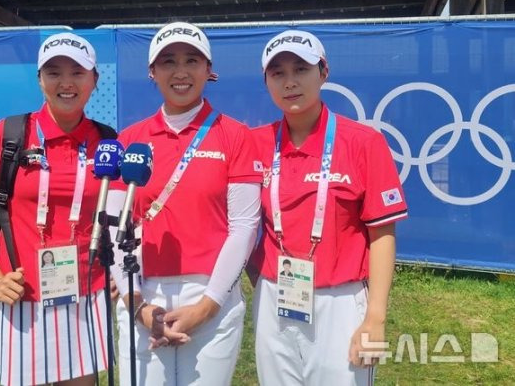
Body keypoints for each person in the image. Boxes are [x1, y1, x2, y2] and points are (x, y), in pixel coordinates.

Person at [248, 29, 408, 385]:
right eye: (278, 73)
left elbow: (382, 234)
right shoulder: (256, 143)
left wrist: (376, 318)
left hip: (341, 300)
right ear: (267, 81)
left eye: (301, 69)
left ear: (323, 72)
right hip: (275, 295)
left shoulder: (364, 142)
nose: (290, 82)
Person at [109, 21, 262, 385]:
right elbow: (115, 225)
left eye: (192, 61)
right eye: (168, 62)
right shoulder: (130, 139)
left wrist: (208, 306)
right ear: (152, 72)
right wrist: (137, 305)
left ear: (209, 71)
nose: (181, 72)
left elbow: (244, 226)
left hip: (212, 292)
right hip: (143, 291)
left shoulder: (235, 135)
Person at [0, 32, 111, 386]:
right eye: (54, 72)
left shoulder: (108, 142)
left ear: (95, 80)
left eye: (78, 72)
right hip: (21, 294)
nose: (66, 82)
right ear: (39, 79)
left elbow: (119, 218)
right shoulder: (9, 133)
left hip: (85, 294)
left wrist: (116, 274)